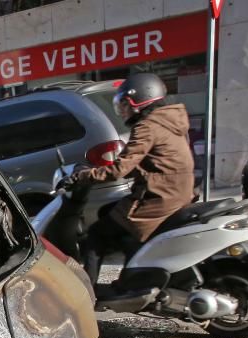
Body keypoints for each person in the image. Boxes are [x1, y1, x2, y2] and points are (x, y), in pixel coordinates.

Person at [67, 73, 196, 285]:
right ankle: (131, 276)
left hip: (157, 200)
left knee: (95, 237)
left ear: (141, 99)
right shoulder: (170, 121)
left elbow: (119, 169)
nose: (123, 110)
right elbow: (161, 162)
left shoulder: (147, 126)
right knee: (108, 213)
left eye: (125, 104)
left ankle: (88, 296)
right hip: (177, 194)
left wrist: (82, 176)